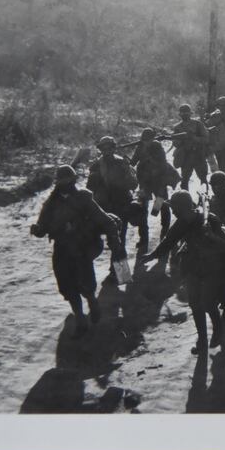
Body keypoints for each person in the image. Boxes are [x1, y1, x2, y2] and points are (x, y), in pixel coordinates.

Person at [139, 191, 225, 354]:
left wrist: (153, 255)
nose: (174, 211)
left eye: (175, 207)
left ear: (183, 206)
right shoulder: (189, 220)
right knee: (196, 303)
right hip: (195, 265)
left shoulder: (202, 219)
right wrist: (153, 255)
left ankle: (215, 331)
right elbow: (169, 241)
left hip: (211, 267)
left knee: (206, 302)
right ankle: (203, 340)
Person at [30, 165, 127, 338]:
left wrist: (116, 243)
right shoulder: (51, 203)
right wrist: (37, 230)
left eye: (68, 180)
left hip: (82, 247)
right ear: (57, 182)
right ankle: (80, 319)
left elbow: (103, 219)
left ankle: (92, 302)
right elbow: (43, 227)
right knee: (67, 285)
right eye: (62, 181)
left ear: (74, 180)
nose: (66, 183)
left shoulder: (84, 198)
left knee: (86, 283)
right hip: (62, 248)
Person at [130, 128, 179, 246]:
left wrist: (149, 157)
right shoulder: (140, 147)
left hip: (158, 182)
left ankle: (165, 231)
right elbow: (133, 161)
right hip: (144, 182)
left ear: (152, 138)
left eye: (148, 139)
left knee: (162, 204)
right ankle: (143, 238)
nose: (146, 141)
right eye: (144, 139)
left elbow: (162, 163)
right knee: (142, 208)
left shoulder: (157, 147)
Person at [87, 136, 138, 246]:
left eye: (109, 148)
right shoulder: (96, 166)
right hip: (104, 206)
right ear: (100, 150)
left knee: (121, 240)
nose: (106, 151)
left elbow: (134, 185)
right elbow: (89, 188)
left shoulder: (122, 163)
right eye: (104, 149)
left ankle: (119, 262)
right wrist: (95, 178)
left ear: (113, 148)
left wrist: (127, 172)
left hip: (121, 204)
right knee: (104, 239)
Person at [172, 104, 209, 191]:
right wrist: (181, 140)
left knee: (203, 179)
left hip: (198, 155)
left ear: (190, 113)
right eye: (183, 113)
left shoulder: (198, 124)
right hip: (185, 157)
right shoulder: (177, 127)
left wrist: (194, 138)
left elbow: (206, 139)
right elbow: (175, 143)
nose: (185, 114)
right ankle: (185, 199)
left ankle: (204, 198)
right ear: (180, 114)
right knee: (184, 181)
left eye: (186, 112)